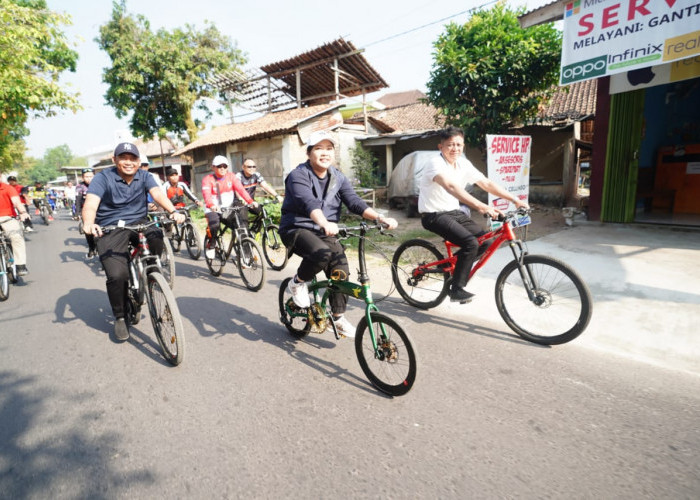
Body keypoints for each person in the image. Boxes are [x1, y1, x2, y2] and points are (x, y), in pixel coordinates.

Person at [279, 130, 397, 338]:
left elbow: (354, 202)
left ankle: (338, 316)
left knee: (340, 267)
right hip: (297, 228)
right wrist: (324, 222)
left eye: (329, 148)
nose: (325, 153)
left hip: (324, 230)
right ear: (309, 153)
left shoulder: (338, 177)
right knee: (321, 253)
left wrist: (379, 218)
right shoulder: (298, 175)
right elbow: (308, 203)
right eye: (318, 148)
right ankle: (297, 283)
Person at [81, 142, 185, 342]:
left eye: (133, 158)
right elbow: (91, 203)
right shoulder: (103, 177)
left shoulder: (145, 176)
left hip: (139, 222)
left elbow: (157, 194)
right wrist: (88, 222)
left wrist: (173, 211)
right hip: (111, 226)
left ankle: (150, 273)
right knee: (117, 275)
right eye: (123, 158)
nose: (128, 162)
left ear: (138, 161)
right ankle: (120, 316)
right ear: (115, 160)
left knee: (157, 238)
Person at [418, 126, 529, 304]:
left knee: (486, 241)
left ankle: (456, 266)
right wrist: (481, 206)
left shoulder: (463, 163)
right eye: (450, 145)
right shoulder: (435, 163)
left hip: (454, 212)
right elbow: (451, 187)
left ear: (463, 146)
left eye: (459, 145)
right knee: (470, 243)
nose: (455, 149)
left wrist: (514, 199)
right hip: (433, 215)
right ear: (441, 147)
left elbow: (486, 183)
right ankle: (456, 289)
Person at [200, 155, 256, 257]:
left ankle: (245, 254)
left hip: (228, 208)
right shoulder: (207, 179)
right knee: (214, 225)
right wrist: (211, 205)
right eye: (219, 166)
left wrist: (250, 201)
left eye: (224, 166)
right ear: (213, 167)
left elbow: (241, 190)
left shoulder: (231, 176)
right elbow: (206, 195)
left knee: (241, 226)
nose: (222, 168)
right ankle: (212, 243)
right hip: (213, 208)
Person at [0, 178, 31, 276]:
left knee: (17, 236)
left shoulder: (8, 188)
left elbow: (17, 202)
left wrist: (23, 212)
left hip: (6, 218)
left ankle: (20, 265)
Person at [75, 168, 97, 259]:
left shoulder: (99, 184)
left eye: (91, 176)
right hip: (86, 211)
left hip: (100, 210)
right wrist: (77, 213)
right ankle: (91, 248)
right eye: (86, 177)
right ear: (83, 178)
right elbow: (78, 200)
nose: (89, 178)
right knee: (88, 231)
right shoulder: (80, 186)